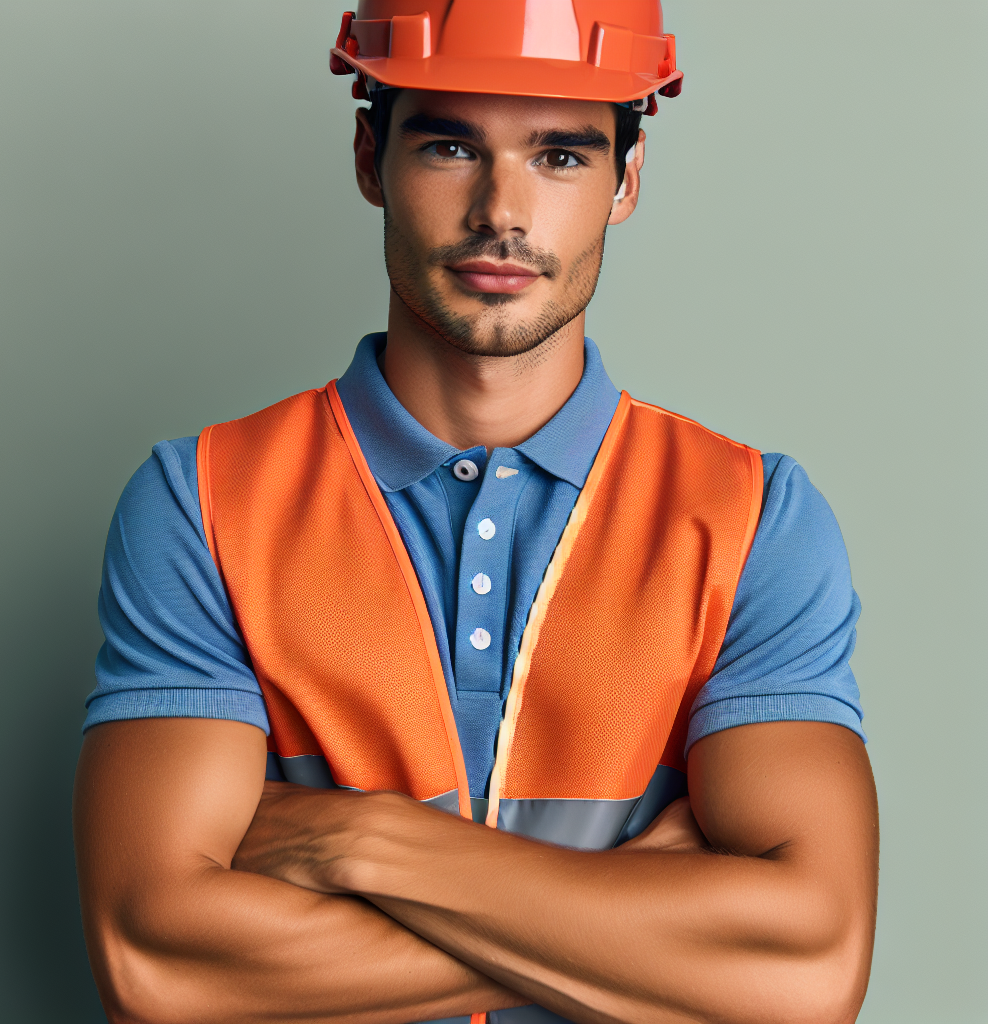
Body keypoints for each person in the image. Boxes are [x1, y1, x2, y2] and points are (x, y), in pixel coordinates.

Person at [73, 3, 878, 1023]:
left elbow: (805, 981)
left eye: (561, 156)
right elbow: (162, 969)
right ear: (370, 156)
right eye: (451, 145)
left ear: (625, 180)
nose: (502, 211)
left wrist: (363, 845)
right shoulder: (201, 499)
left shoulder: (753, 516)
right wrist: (636, 920)